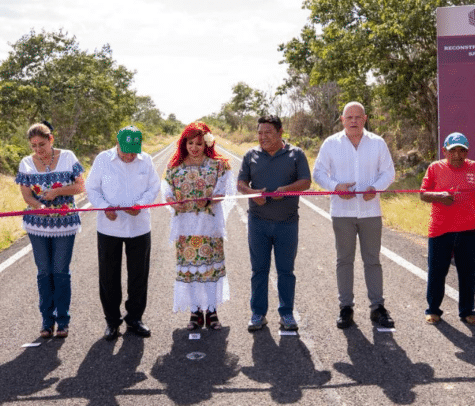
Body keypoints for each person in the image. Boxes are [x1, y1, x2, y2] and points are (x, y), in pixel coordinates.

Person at [313, 102, 396, 329]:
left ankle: (377, 308)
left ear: (365, 118)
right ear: (342, 120)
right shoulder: (331, 144)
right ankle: (345, 308)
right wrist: (335, 186)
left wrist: (376, 188)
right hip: (342, 212)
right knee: (344, 260)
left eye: (357, 117)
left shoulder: (377, 143)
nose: (353, 121)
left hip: (371, 212)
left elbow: (388, 172)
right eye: (349, 117)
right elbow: (318, 173)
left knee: (372, 260)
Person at [86, 125, 161, 341]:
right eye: (126, 151)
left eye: (133, 152)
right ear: (117, 144)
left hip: (139, 227)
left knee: (139, 274)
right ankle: (112, 321)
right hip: (109, 228)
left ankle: (134, 318)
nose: (130, 156)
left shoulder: (145, 160)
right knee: (109, 276)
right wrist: (104, 206)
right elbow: (92, 188)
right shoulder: (102, 160)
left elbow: (153, 187)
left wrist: (141, 204)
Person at [237, 115, 311, 332]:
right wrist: (252, 193)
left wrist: (285, 190)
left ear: (280, 133)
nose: (262, 137)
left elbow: (306, 181)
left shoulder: (296, 154)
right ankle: (258, 314)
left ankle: (286, 314)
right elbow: (241, 184)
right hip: (258, 222)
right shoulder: (251, 155)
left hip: (287, 223)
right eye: (259, 132)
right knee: (259, 269)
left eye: (268, 132)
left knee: (286, 270)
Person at [16, 122, 85, 339]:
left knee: (60, 272)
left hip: (65, 224)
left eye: (42, 144)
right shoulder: (26, 163)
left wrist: (57, 192)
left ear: (51, 139)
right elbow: (27, 195)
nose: (38, 150)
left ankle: (62, 320)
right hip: (37, 225)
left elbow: (80, 186)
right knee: (44, 272)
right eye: (34, 145)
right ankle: (47, 321)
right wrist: (40, 207)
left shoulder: (68, 157)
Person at [162, 122, 234, 330]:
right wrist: (170, 200)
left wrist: (212, 200)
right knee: (191, 270)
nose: (194, 147)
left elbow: (224, 189)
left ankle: (211, 311)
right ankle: (195, 311)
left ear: (206, 145)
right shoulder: (174, 167)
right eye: (190, 143)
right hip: (186, 227)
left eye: (199, 144)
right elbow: (166, 189)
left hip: (209, 227)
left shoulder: (218, 165)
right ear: (184, 143)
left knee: (210, 269)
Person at [420, 132, 475, 326]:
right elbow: (423, 194)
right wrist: (439, 196)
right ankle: (433, 310)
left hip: (468, 230)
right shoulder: (435, 168)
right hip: (440, 230)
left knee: (468, 273)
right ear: (444, 151)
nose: (458, 155)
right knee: (437, 272)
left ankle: (467, 311)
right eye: (453, 150)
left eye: (462, 150)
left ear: (467, 152)